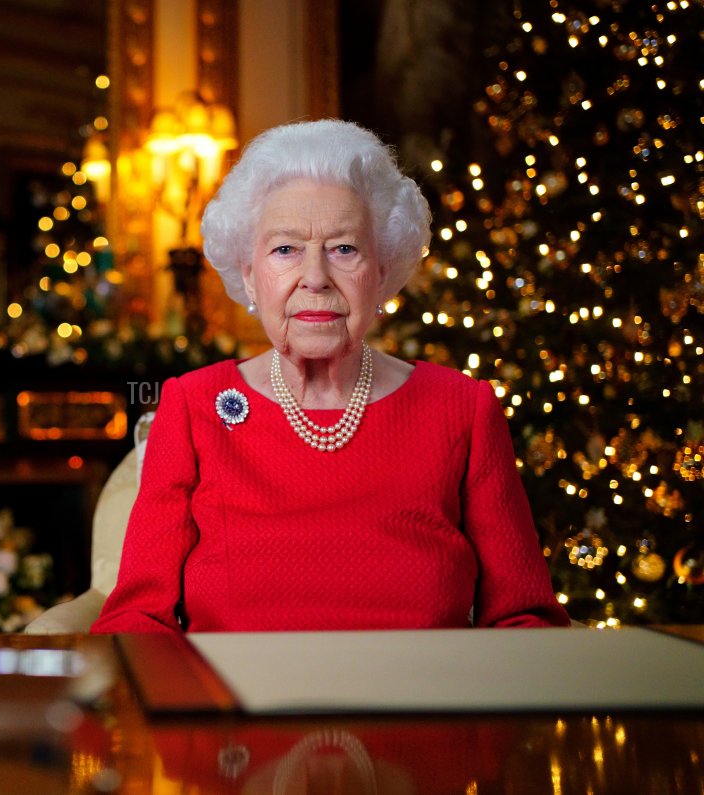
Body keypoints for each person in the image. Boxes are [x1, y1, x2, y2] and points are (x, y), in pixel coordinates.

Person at [92, 119, 570, 633]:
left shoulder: (460, 408)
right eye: (285, 249)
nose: (316, 278)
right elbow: (137, 619)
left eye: (344, 248)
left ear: (382, 272)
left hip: (420, 706)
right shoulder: (193, 405)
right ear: (249, 274)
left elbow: (524, 618)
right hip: (236, 707)